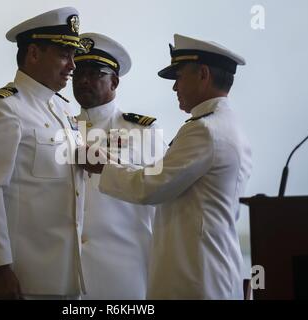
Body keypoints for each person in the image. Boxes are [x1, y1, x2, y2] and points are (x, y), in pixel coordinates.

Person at [79, 34, 252, 299]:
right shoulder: (225, 124)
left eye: (179, 77)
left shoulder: (205, 130)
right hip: (207, 269)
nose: (174, 88)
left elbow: (151, 187)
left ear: (203, 74)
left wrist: (104, 166)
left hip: (197, 275)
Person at [0, 7, 87, 300]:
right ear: (34, 53)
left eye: (73, 55)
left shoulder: (63, 110)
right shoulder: (2, 109)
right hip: (18, 276)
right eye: (64, 54)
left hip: (60, 273)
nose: (73, 66)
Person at [72, 33, 166, 299]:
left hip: (126, 271)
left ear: (114, 81)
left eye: (94, 74)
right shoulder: (60, 129)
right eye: (78, 74)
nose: (83, 81)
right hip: (67, 273)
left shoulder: (144, 131)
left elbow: (162, 196)